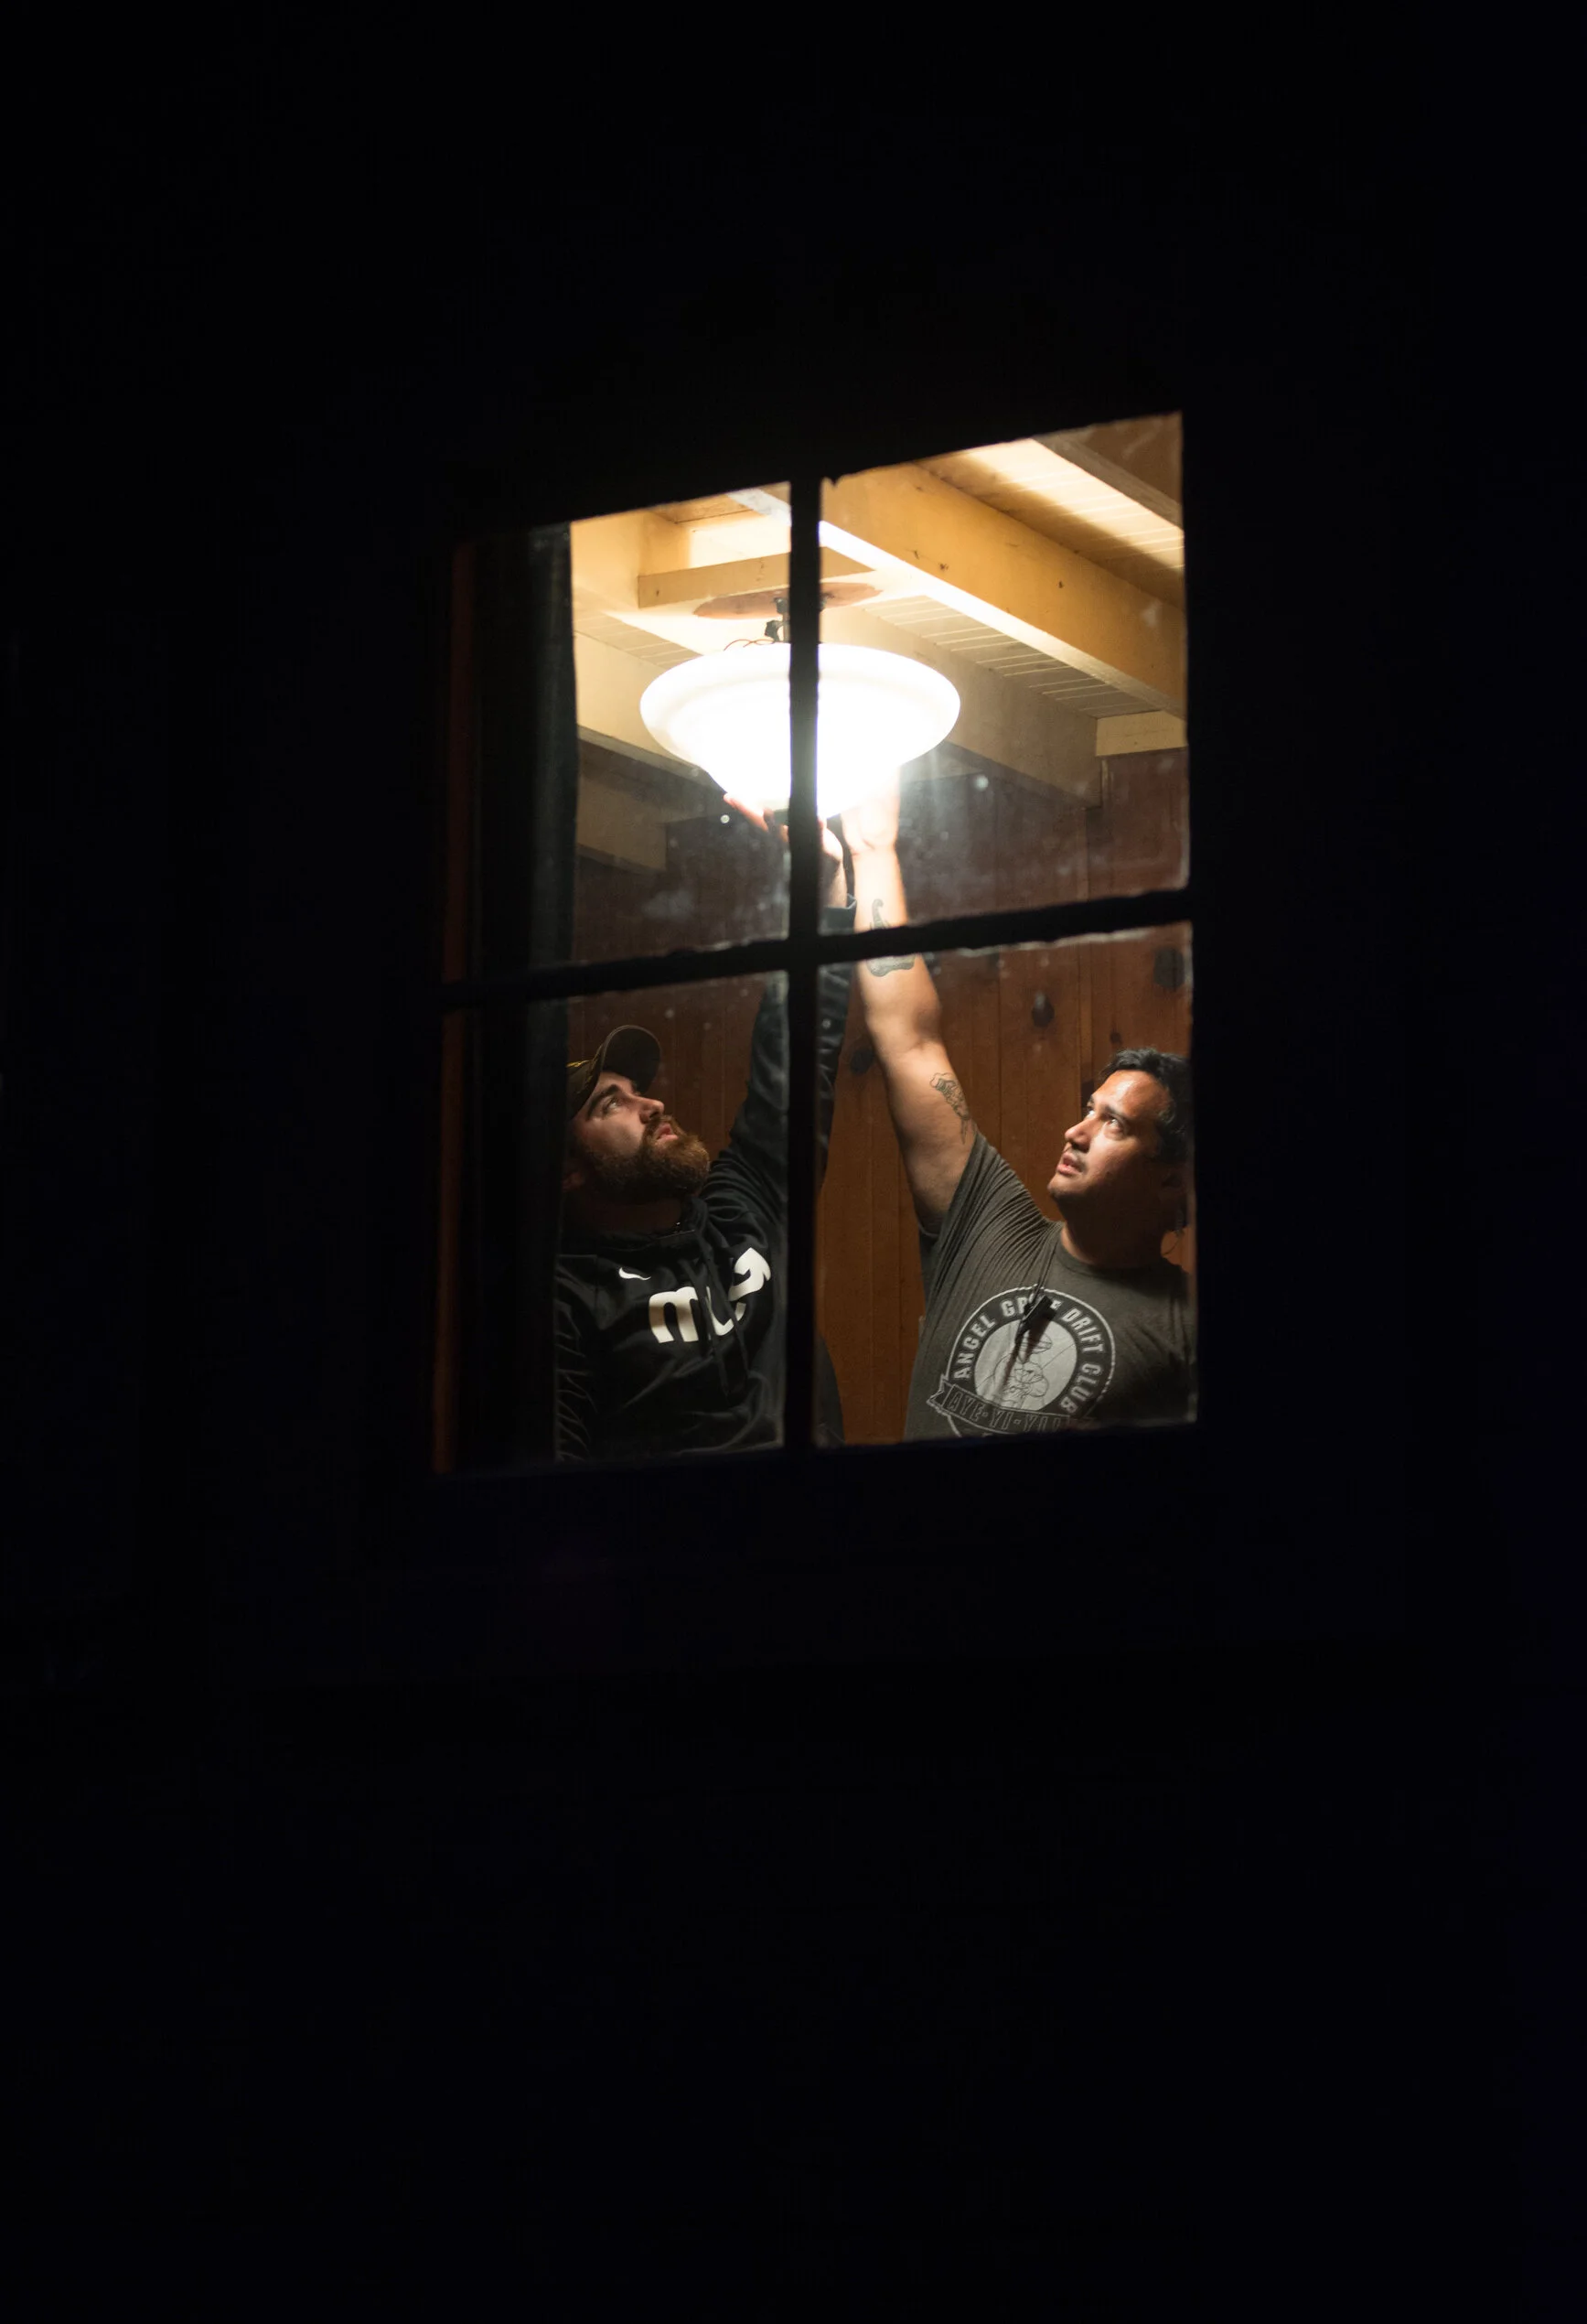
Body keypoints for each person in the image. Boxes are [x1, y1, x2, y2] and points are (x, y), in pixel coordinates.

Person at [842, 772, 1195, 1436]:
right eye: (1088, 1109)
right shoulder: (985, 1227)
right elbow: (909, 1042)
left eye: (1114, 1124)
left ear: (1172, 1178)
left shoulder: (1183, 1325)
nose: (1076, 1132)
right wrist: (874, 852)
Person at [553, 821, 854, 1460]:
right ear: (567, 1170)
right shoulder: (568, 1299)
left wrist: (821, 891)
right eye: (612, 1103)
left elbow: (796, 1058)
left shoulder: (739, 1212)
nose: (652, 1104)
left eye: (638, 1088)